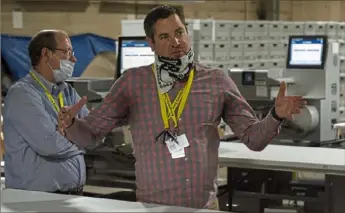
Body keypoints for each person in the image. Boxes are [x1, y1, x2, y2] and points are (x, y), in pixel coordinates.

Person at [58, 5, 306, 209]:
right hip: (153, 208)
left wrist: (275, 115)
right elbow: (91, 135)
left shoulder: (216, 81)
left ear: (187, 32)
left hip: (204, 207)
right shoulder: (132, 83)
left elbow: (254, 139)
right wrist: (71, 125)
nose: (175, 42)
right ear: (151, 43)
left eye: (179, 32)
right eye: (165, 37)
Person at [3, 30, 88, 194]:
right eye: (66, 52)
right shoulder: (22, 94)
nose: (73, 59)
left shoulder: (67, 91)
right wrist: (80, 139)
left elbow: (93, 131)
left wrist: (68, 134)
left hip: (72, 194)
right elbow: (51, 145)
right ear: (46, 54)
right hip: (35, 199)